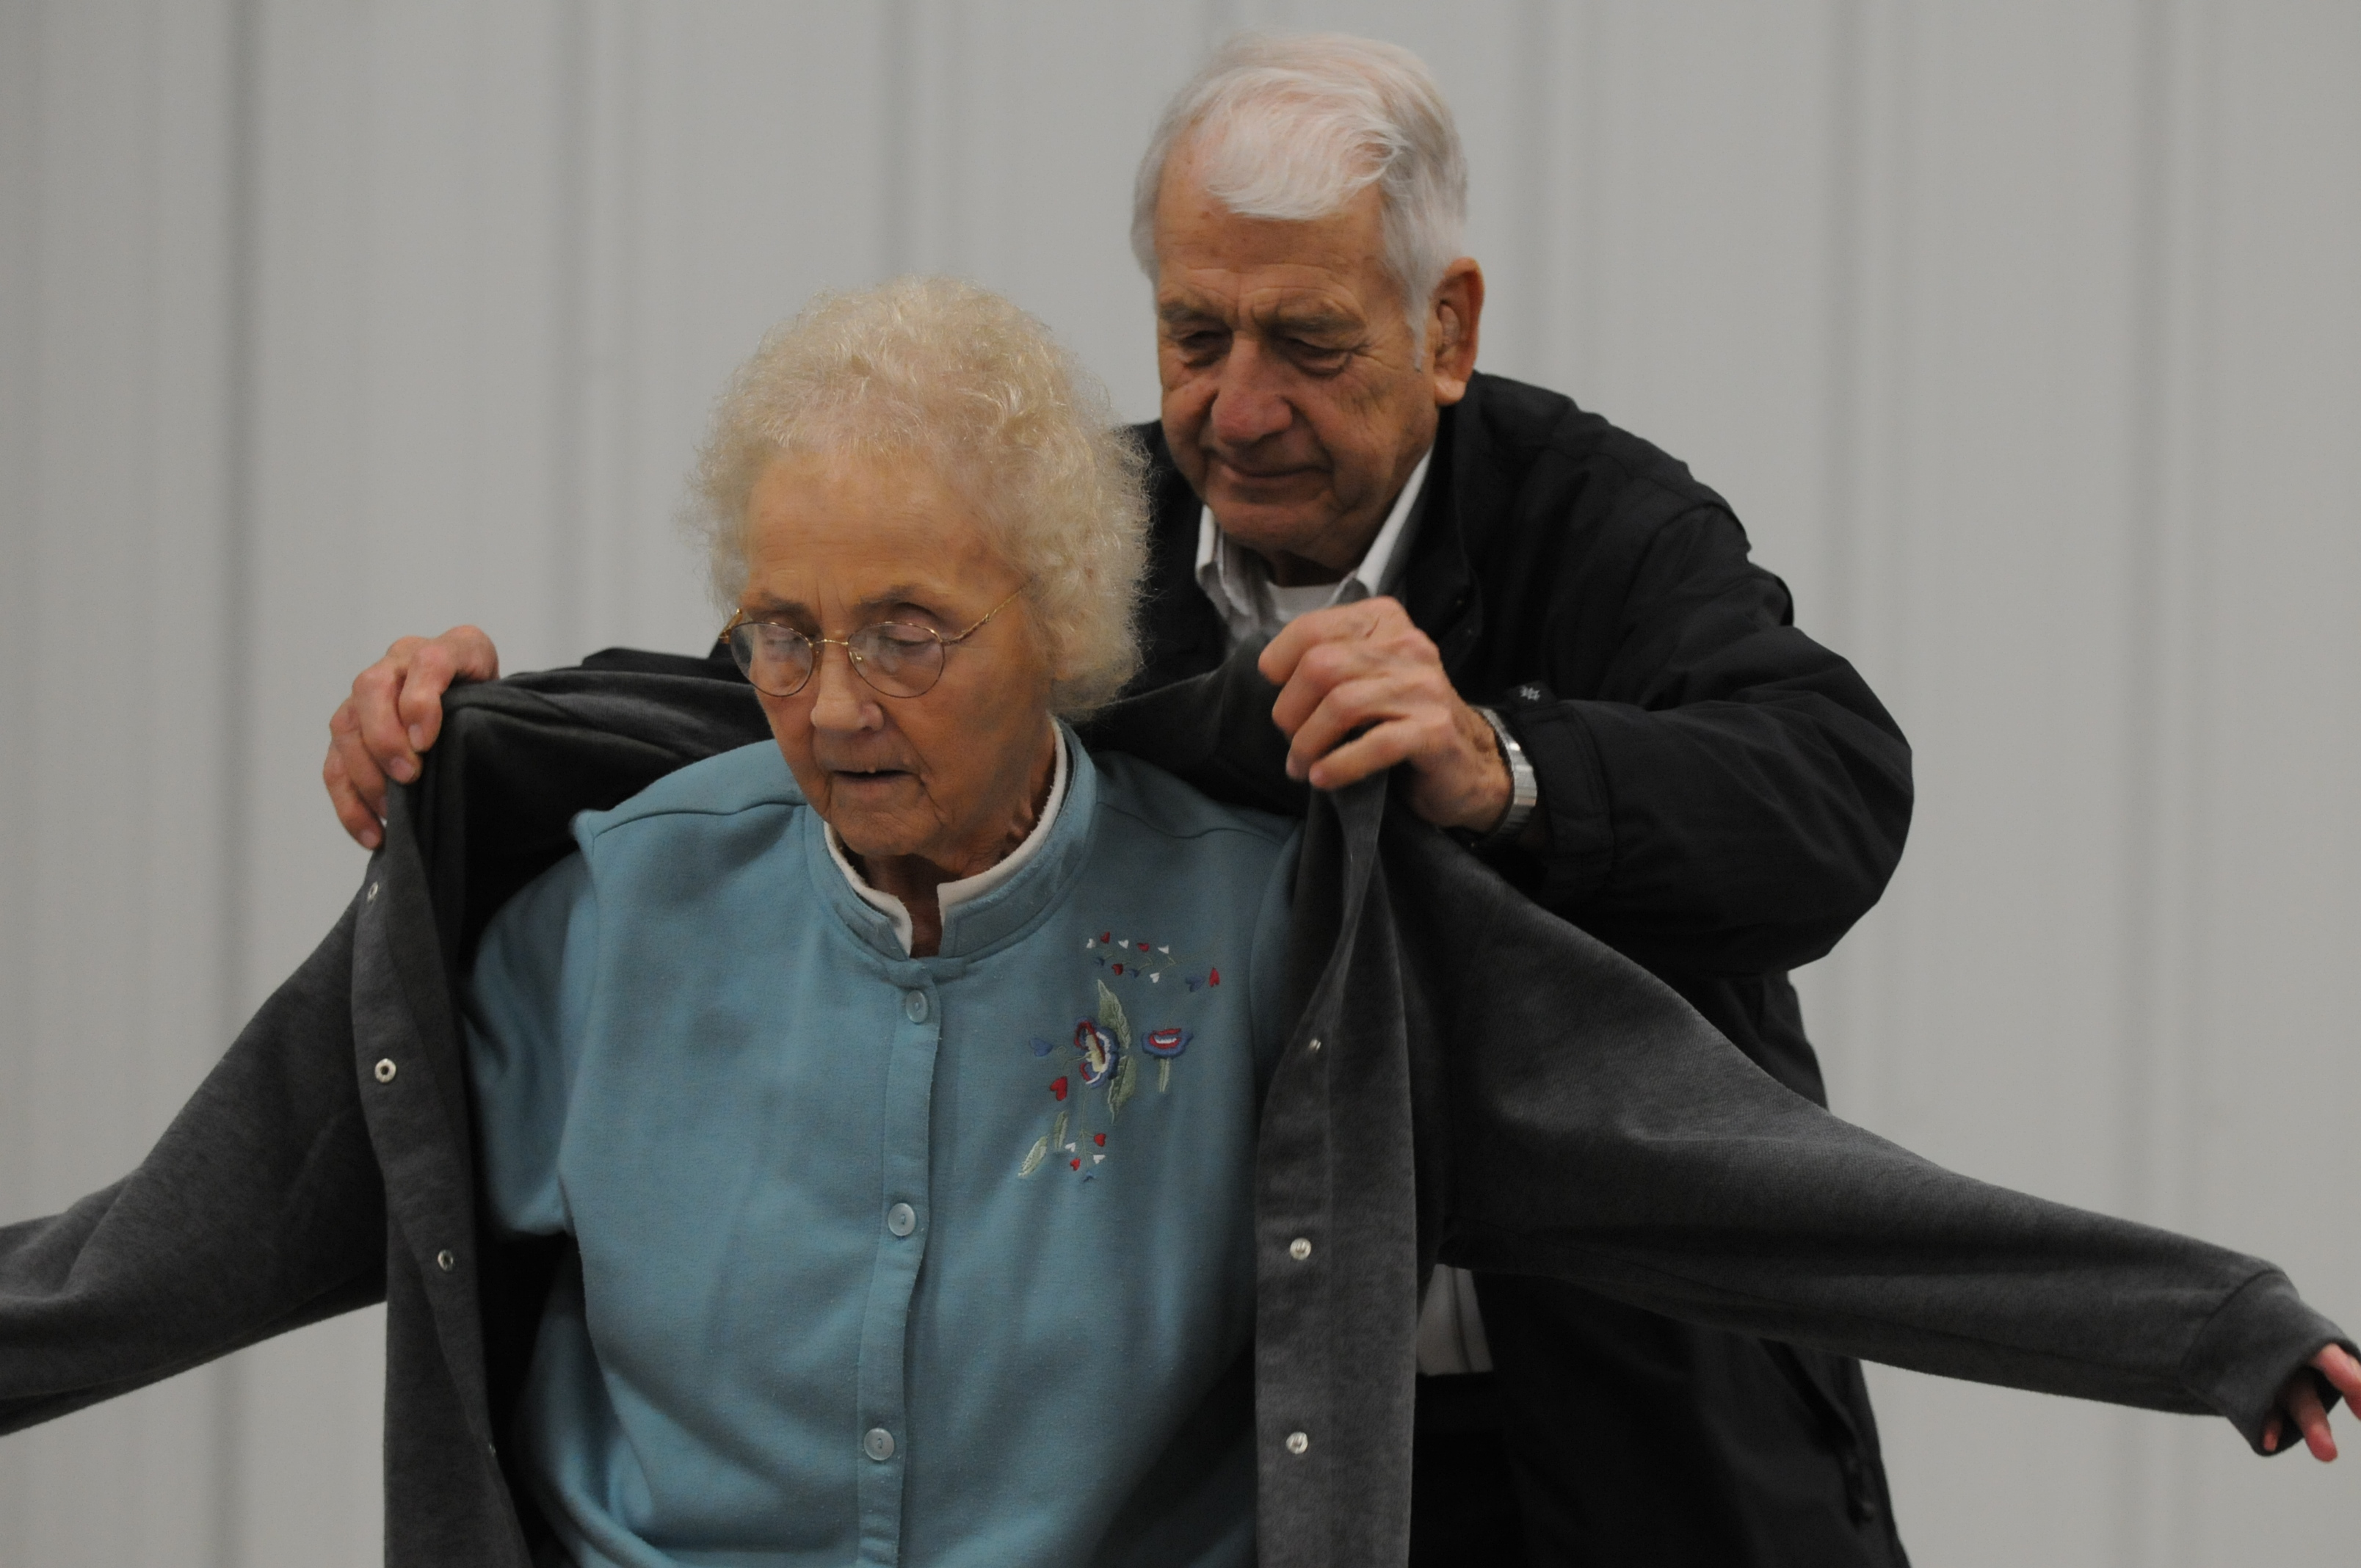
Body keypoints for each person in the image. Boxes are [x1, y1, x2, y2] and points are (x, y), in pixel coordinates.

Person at [9, 276, 2361, 1568]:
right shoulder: (590, 918)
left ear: (1057, 619)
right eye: (784, 631)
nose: (831, 705)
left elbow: (1733, 1175)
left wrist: (2212, 1328)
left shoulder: (1267, 932)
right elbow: (162, 1250)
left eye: (909, 632)